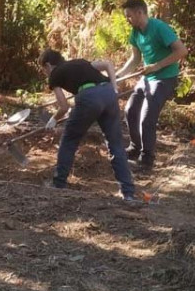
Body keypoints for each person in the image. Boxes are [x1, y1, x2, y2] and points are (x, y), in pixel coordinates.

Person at [39, 49, 136, 201]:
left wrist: (53, 119)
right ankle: (128, 193)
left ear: (48, 65)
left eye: (43, 70)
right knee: (115, 143)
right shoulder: (81, 62)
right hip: (108, 93)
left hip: (89, 97)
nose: (45, 73)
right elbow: (107, 64)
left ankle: (58, 183)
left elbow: (63, 107)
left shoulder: (55, 74)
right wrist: (114, 87)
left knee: (69, 139)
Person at [115, 0, 188, 172]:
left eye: (129, 16)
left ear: (140, 12)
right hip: (148, 78)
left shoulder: (159, 28)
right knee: (130, 110)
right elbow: (135, 59)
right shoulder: (135, 32)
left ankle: (147, 159)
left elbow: (182, 50)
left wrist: (157, 66)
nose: (127, 19)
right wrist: (117, 76)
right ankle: (134, 147)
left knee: (147, 118)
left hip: (165, 78)